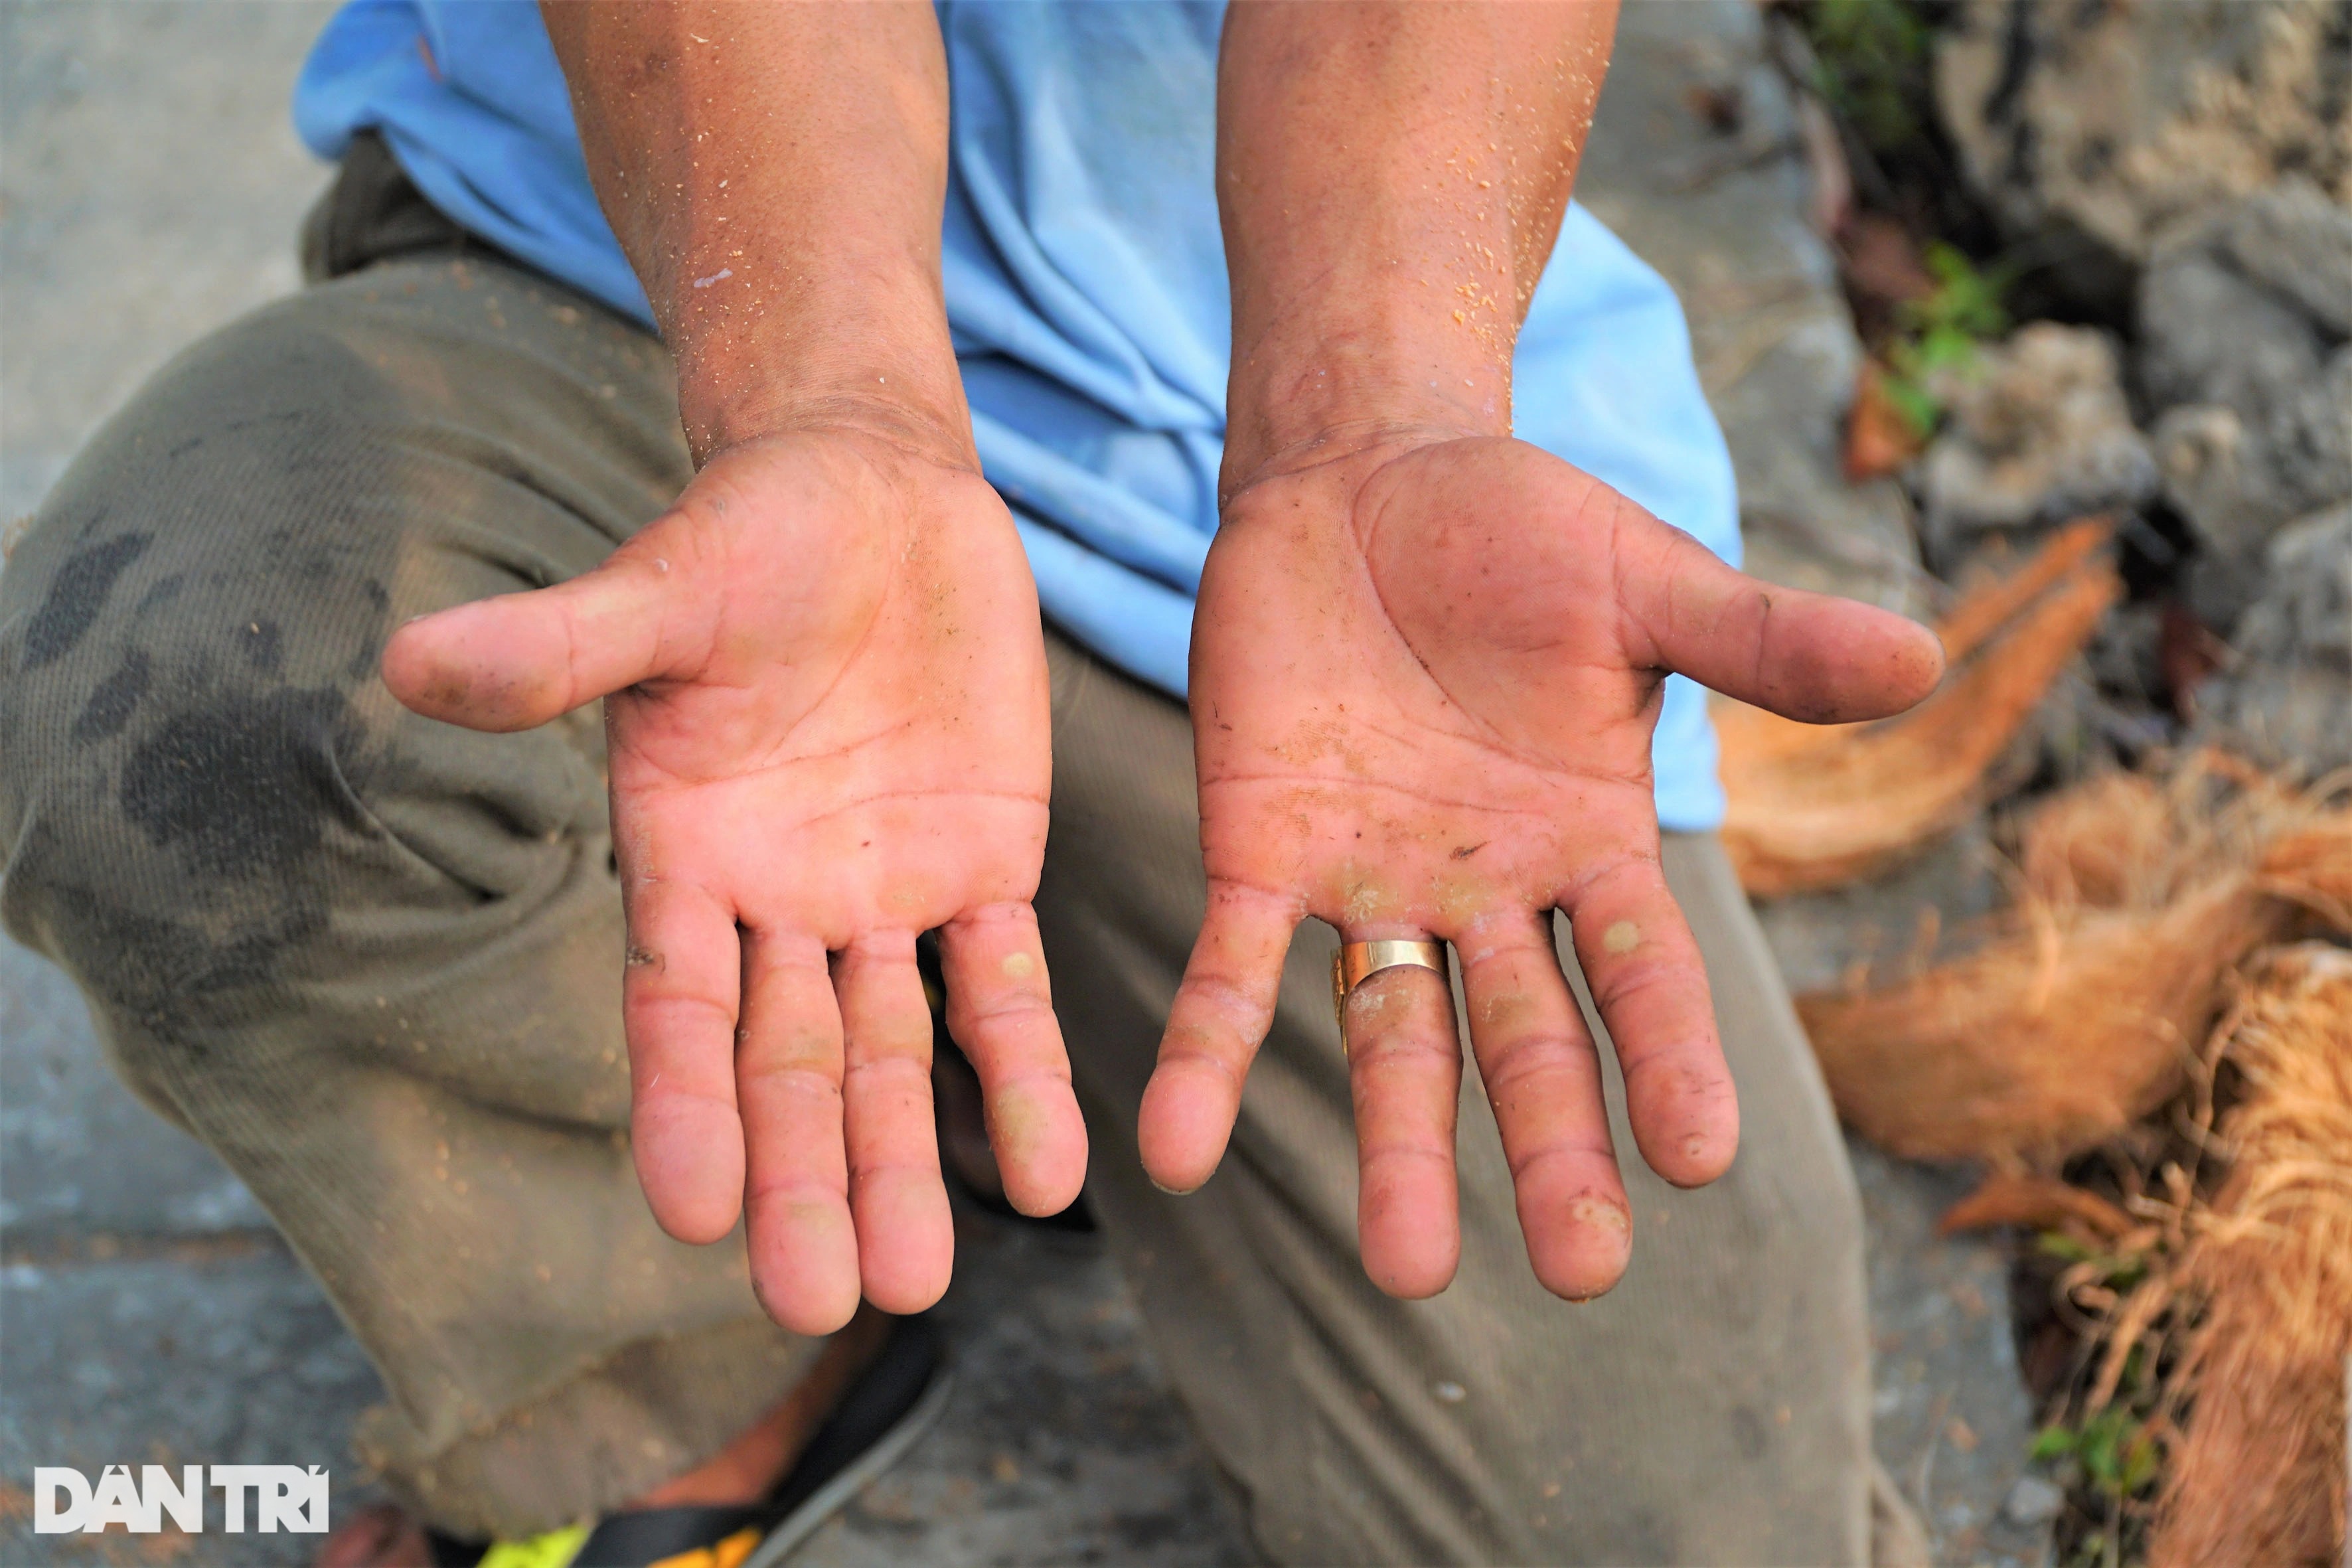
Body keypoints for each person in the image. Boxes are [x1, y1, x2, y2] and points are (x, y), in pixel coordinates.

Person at [0, 1, 1945, 1563]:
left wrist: (1374, 424)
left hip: (1310, 527)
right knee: (184, 695)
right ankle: (673, 1363)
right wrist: (825, 402)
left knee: (1660, 1526)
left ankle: (946, 1044)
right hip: (643, 297)